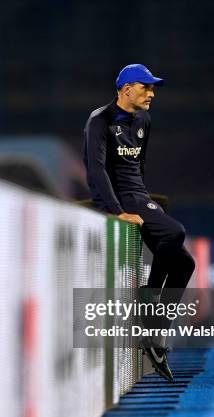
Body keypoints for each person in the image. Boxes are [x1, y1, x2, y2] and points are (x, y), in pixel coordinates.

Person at [83, 64, 195, 382]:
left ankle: (155, 333)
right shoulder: (100, 121)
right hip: (122, 200)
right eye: (146, 87)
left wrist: (148, 204)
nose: (152, 93)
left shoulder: (144, 119)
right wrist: (116, 210)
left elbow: (138, 168)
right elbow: (96, 171)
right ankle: (149, 300)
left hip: (138, 196)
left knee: (185, 264)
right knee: (176, 231)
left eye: (153, 88)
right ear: (127, 88)